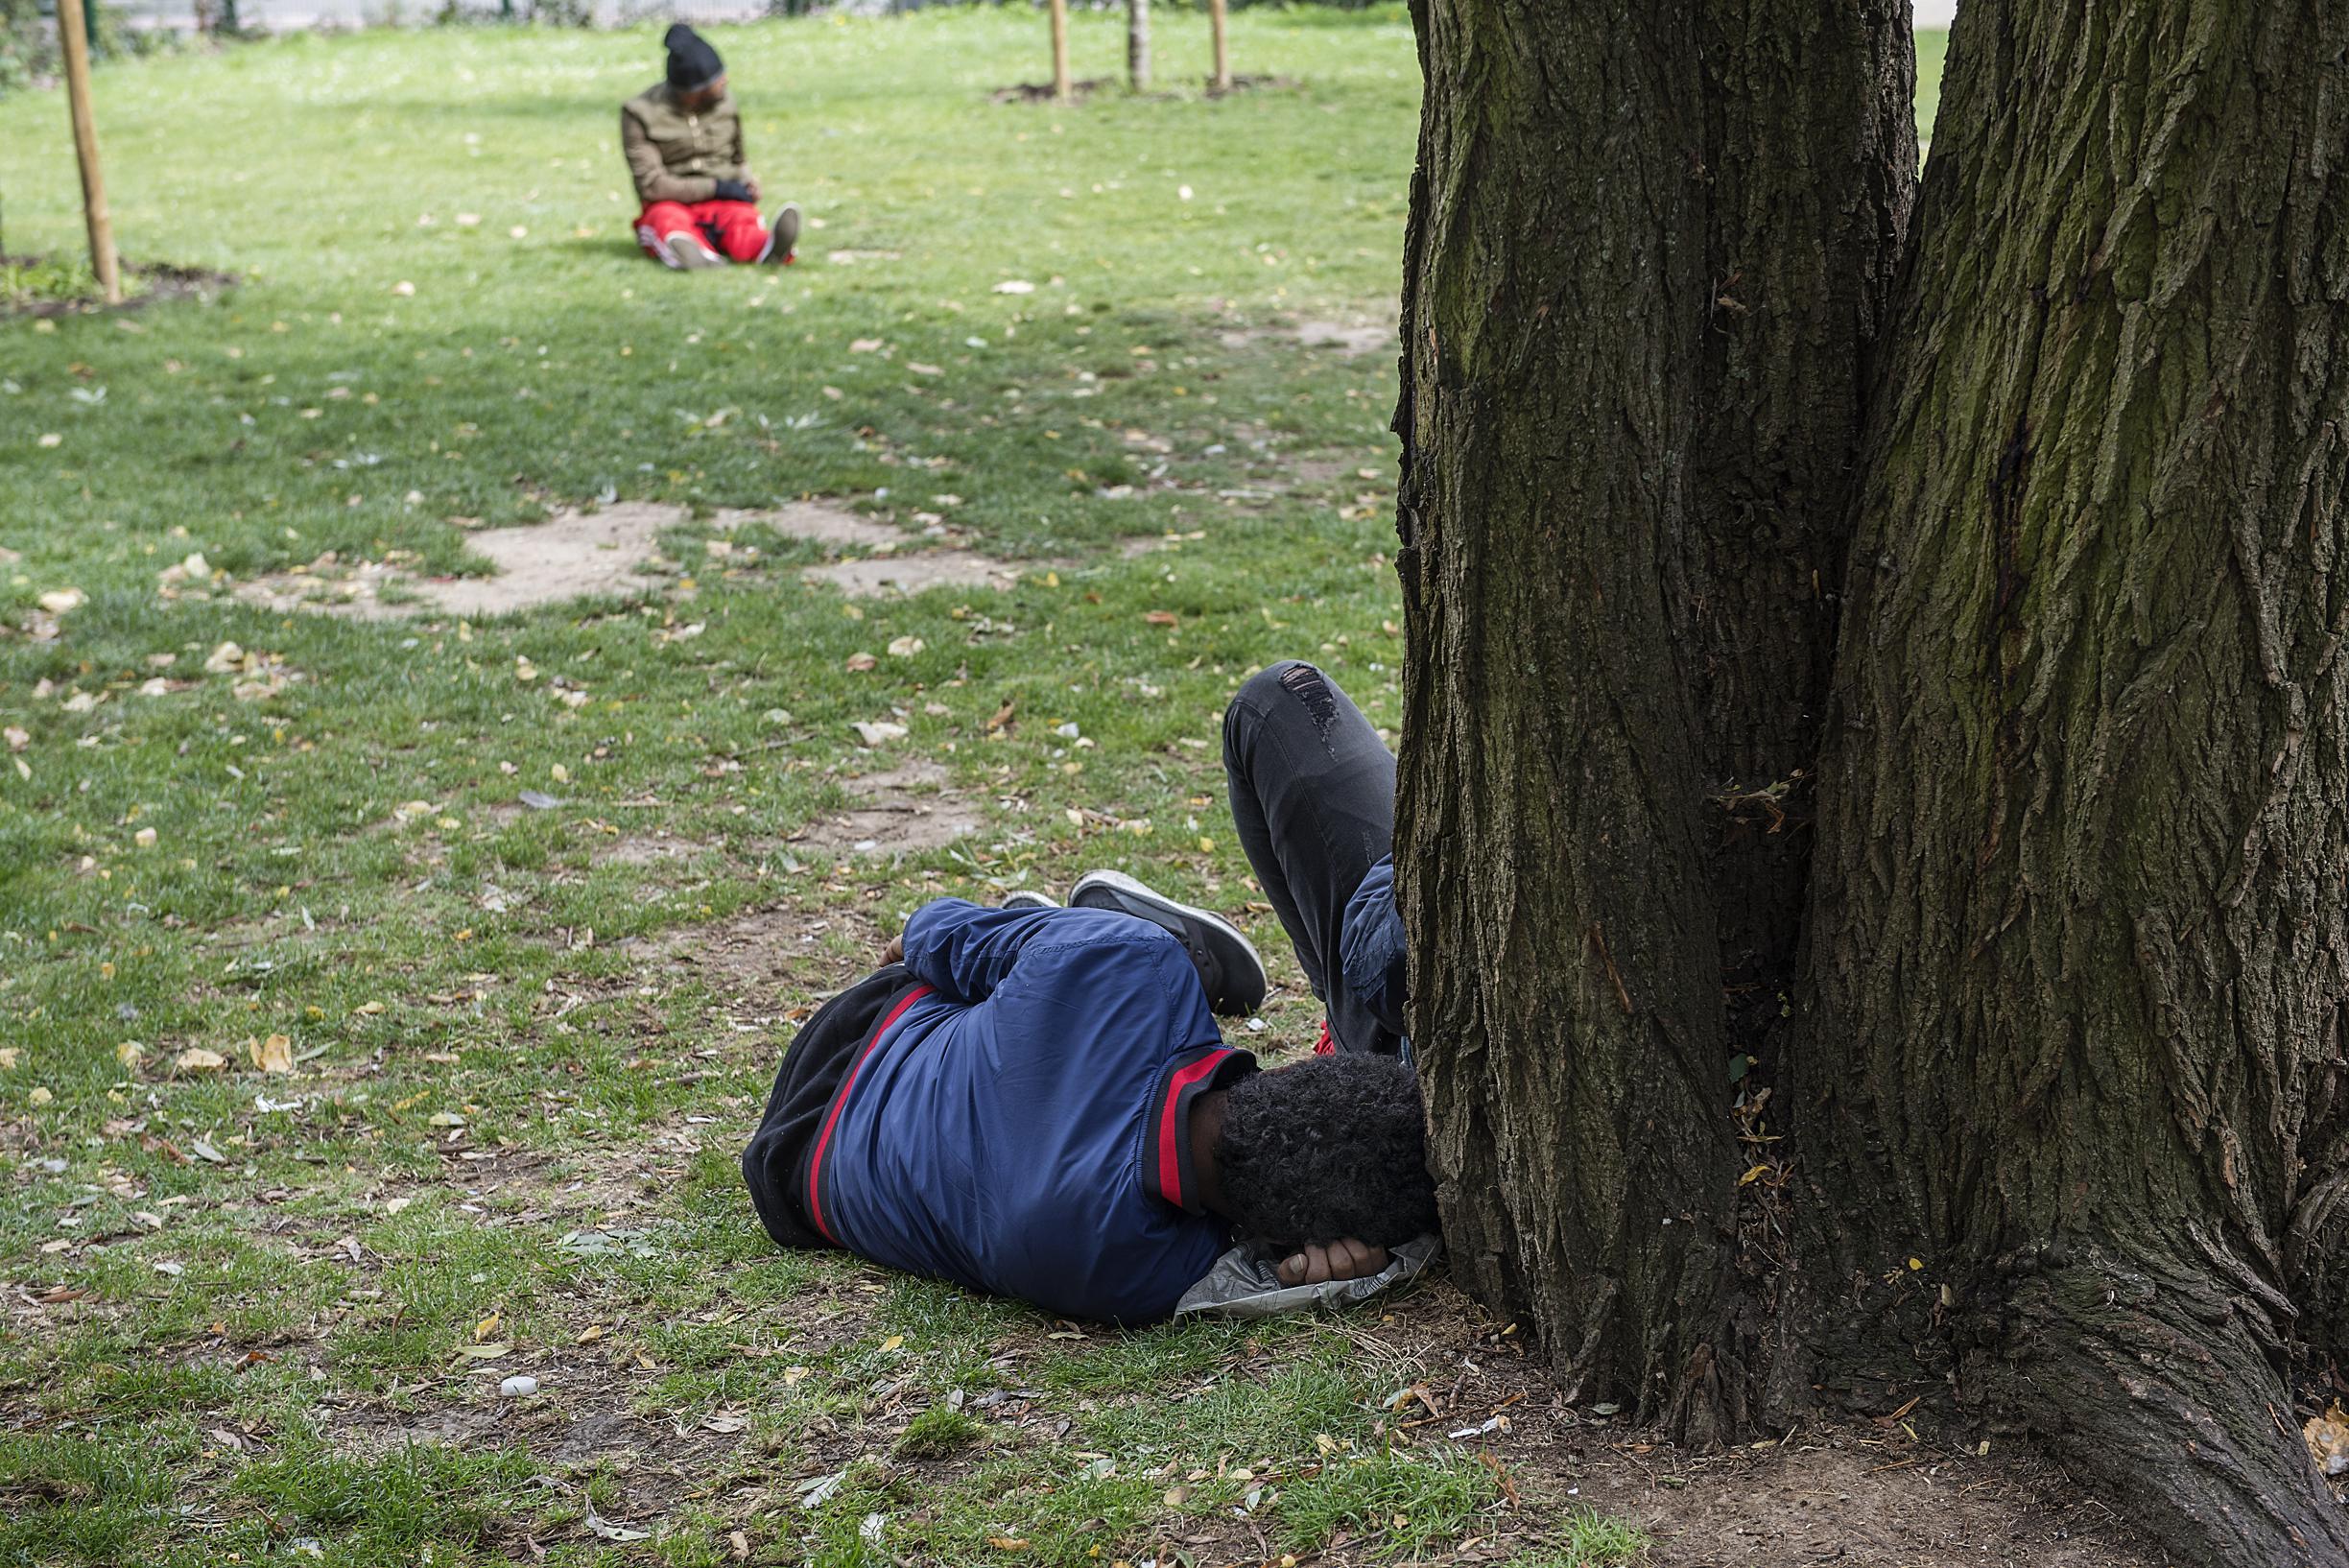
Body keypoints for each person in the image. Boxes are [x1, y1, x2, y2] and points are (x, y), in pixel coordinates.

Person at [740, 881, 1436, 1323]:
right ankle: (1034, 962)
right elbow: (1245, 1280)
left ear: (1291, 1074)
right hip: (800, 1181)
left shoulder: (1133, 962)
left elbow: (936, 931)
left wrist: (924, 937)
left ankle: (1052, 930)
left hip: (868, 1021)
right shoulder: (1128, 1273)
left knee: (1023, 961)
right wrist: (1329, 1270)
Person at [1221, 659, 1409, 1058]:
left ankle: (1342, 1037)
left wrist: (1416, 849)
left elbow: (1386, 955)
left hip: (1410, 1041)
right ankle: (1340, 1022)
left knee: (1269, 700)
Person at [622, 25, 801, 271]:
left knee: (741, 220)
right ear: (694, 92)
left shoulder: (726, 103)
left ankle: (767, 248)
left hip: (723, 200)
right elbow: (652, 186)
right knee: (666, 222)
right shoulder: (640, 113)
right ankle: (694, 254)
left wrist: (746, 180)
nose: (725, 81)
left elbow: (737, 158)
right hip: (670, 201)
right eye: (718, 80)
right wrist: (715, 187)